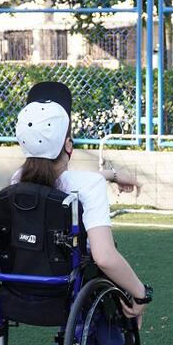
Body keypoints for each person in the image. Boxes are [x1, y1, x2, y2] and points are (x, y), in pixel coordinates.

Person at [12, 82, 151, 320]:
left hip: (20, 288)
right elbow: (104, 258)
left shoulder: (16, 182)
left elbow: (68, 181)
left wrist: (112, 176)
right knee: (111, 269)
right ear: (68, 146)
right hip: (70, 289)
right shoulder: (88, 186)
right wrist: (140, 294)